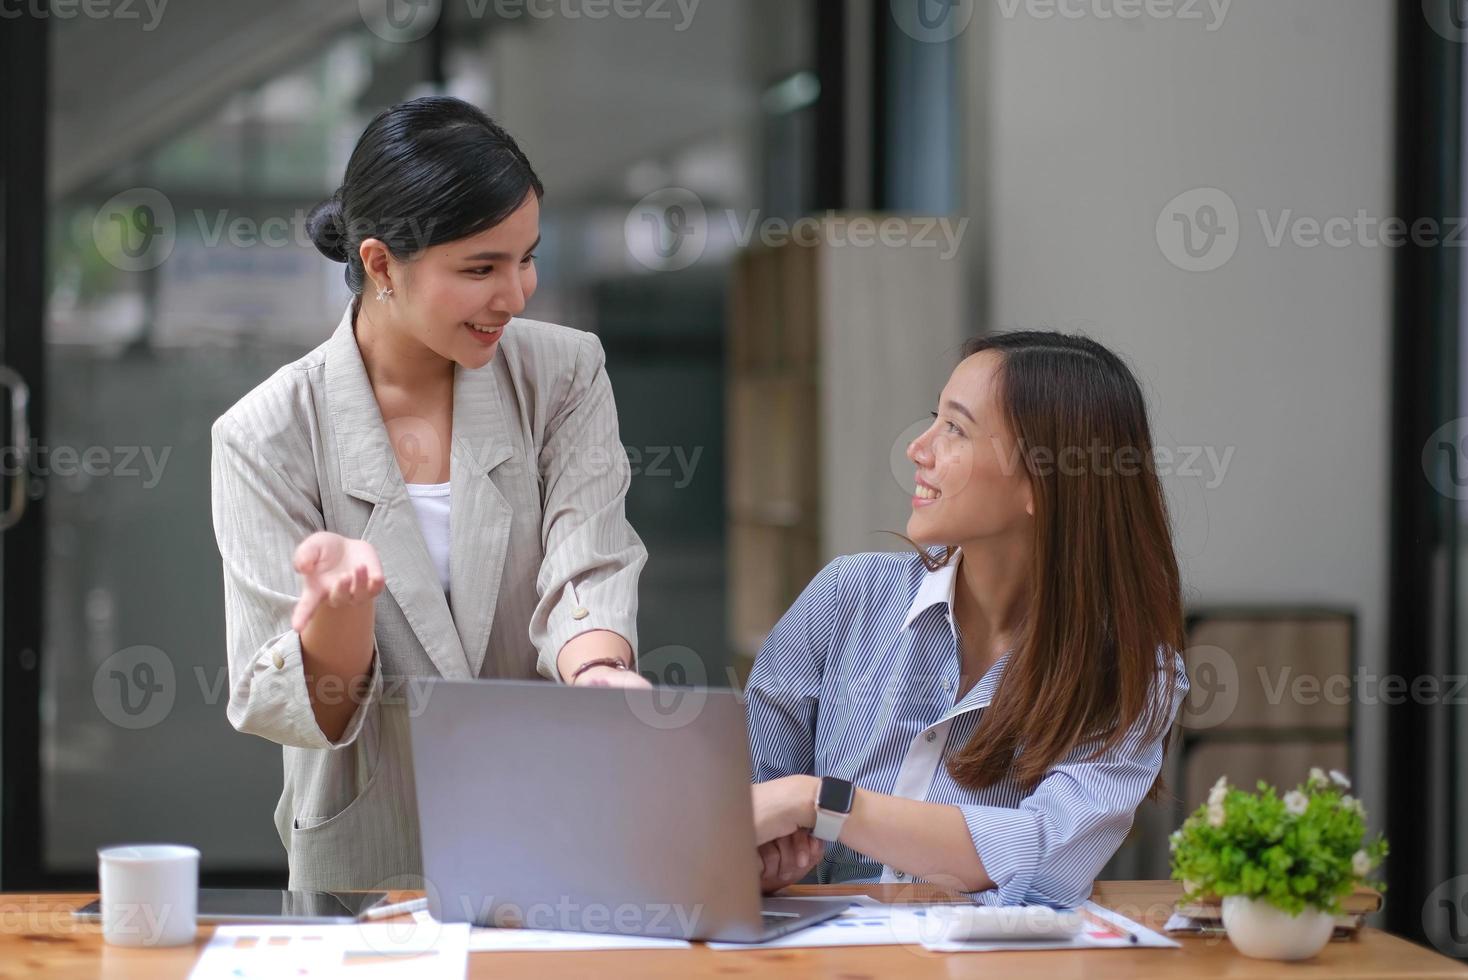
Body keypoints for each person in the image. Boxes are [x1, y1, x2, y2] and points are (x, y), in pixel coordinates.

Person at [210, 96, 647, 891]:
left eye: (526, 257)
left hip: (549, 821)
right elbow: (293, 706)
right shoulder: (266, 433)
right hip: (374, 848)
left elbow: (587, 556)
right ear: (381, 265)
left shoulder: (563, 373)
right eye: (480, 268)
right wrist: (339, 609)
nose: (515, 295)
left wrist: (597, 674)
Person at [745, 332, 1190, 907]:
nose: (918, 449)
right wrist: (760, 858)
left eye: (954, 428)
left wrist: (821, 802)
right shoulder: (845, 596)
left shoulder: (1132, 674)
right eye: (936, 420)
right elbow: (753, 802)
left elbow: (1045, 856)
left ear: (1043, 481)